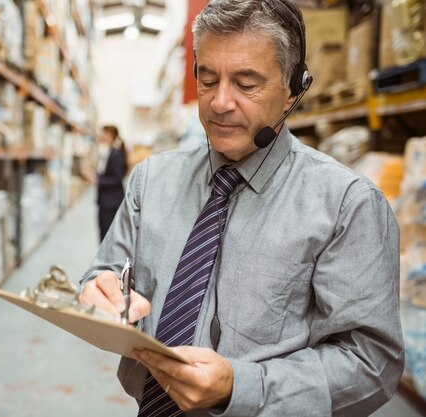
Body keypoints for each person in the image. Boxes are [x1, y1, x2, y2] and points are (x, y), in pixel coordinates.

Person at [78, 1, 404, 416]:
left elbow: (371, 363)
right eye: (208, 79)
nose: (219, 102)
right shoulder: (152, 181)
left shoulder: (345, 204)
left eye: (246, 84)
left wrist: (241, 387)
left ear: (292, 90)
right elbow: (102, 274)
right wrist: (97, 291)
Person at [93, 125, 128, 241]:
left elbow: (117, 178)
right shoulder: (109, 152)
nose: (100, 136)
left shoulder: (115, 154)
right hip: (106, 201)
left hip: (111, 203)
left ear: (109, 135)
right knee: (104, 233)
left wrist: (98, 180)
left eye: (102, 133)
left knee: (107, 236)